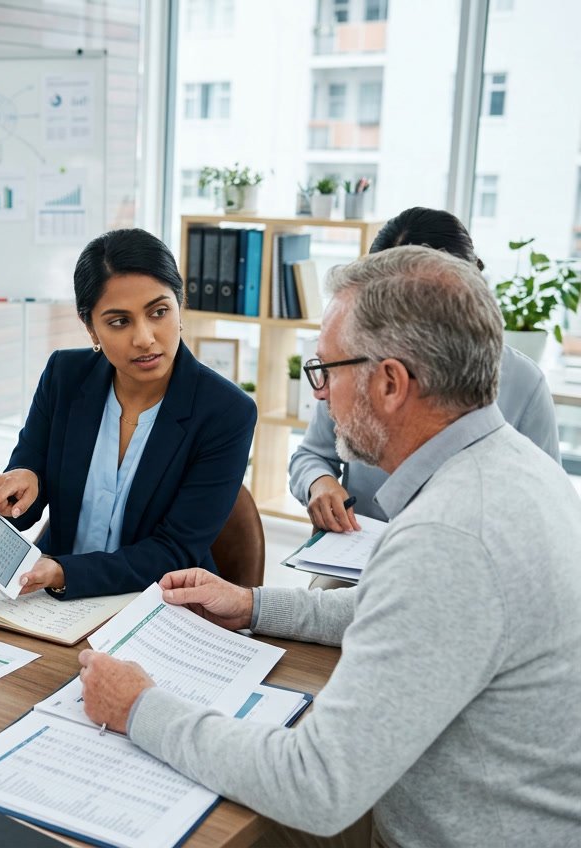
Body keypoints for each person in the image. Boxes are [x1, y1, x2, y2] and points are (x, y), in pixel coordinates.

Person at [78, 246, 581, 847]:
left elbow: (312, 784)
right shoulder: (510, 463)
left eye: (325, 370)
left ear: (390, 383)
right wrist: (255, 606)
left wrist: (137, 707)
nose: (319, 395)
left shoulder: (449, 536)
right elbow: (408, 612)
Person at [0, 229, 255, 599]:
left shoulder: (226, 412)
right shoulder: (64, 376)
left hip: (159, 603)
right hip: (54, 601)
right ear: (90, 327)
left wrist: (65, 572)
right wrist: (21, 484)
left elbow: (174, 551)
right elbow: (24, 509)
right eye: (119, 322)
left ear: (180, 304)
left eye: (159, 312)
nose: (144, 338)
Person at [290, 206, 559, 532]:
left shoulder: (524, 383)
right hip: (359, 545)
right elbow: (311, 454)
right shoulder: (352, 368)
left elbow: (540, 504)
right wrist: (319, 482)